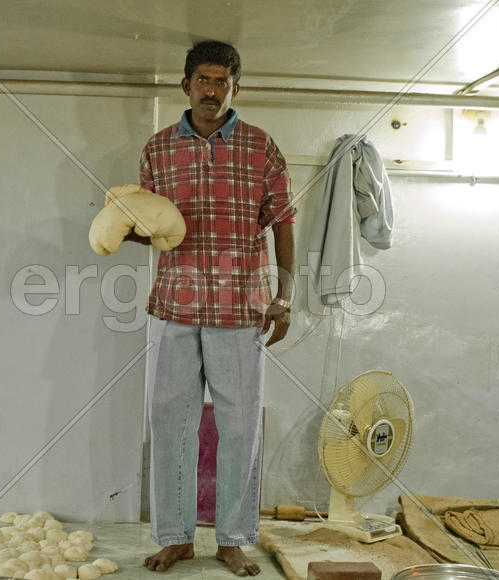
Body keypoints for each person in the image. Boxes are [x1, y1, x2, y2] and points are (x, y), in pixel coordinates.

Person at [127, 41, 295, 575]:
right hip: (175, 306)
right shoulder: (158, 150)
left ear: (235, 88)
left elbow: (284, 221)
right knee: (169, 420)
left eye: (223, 81)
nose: (212, 89)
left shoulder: (260, 146)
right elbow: (151, 227)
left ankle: (232, 538)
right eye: (203, 79)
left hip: (240, 307)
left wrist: (285, 296)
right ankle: (175, 536)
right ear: (186, 85)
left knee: (240, 425)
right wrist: (120, 229)